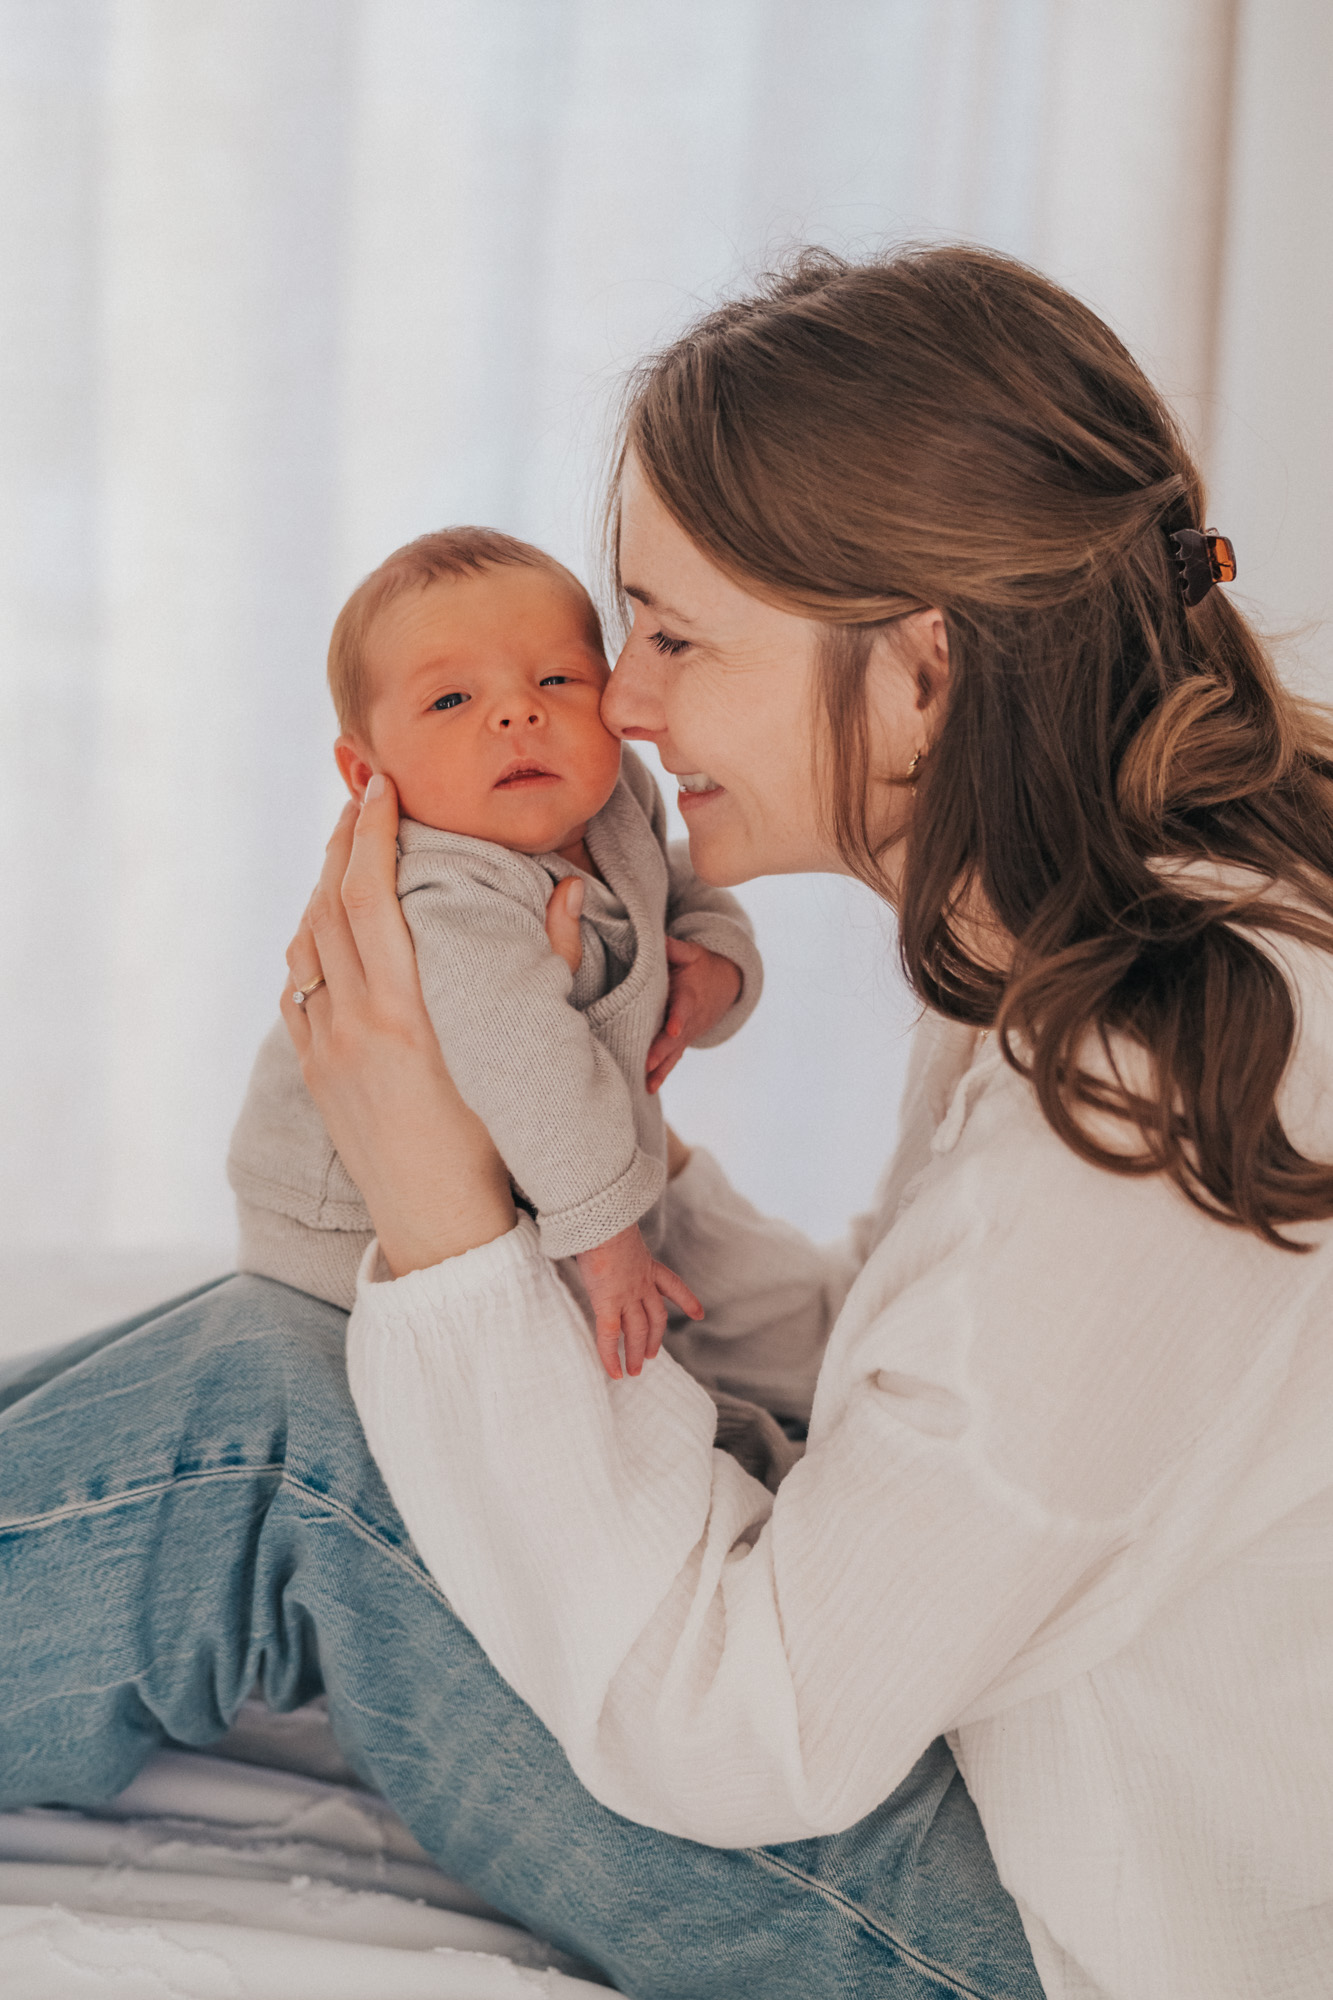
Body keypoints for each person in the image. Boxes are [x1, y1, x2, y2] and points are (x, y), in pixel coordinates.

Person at [3, 245, 1330, 2000]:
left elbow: (739, 1730)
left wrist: (451, 1223)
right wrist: (604, 1181)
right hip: (1023, 1783)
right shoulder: (1151, 924)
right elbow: (918, 1380)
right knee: (283, 1348)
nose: (613, 703)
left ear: (925, 669)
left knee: (277, 1416)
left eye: (674, 637)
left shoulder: (1133, 1102)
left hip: (1045, 1937)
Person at [227, 524, 763, 1379]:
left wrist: (717, 962)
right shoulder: (442, 891)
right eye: (450, 702)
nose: (518, 713)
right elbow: (527, 1060)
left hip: (541, 1185)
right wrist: (607, 1238)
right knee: (527, 1374)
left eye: (556, 679)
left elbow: (671, 883)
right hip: (355, 1235)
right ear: (366, 776)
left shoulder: (611, 797)